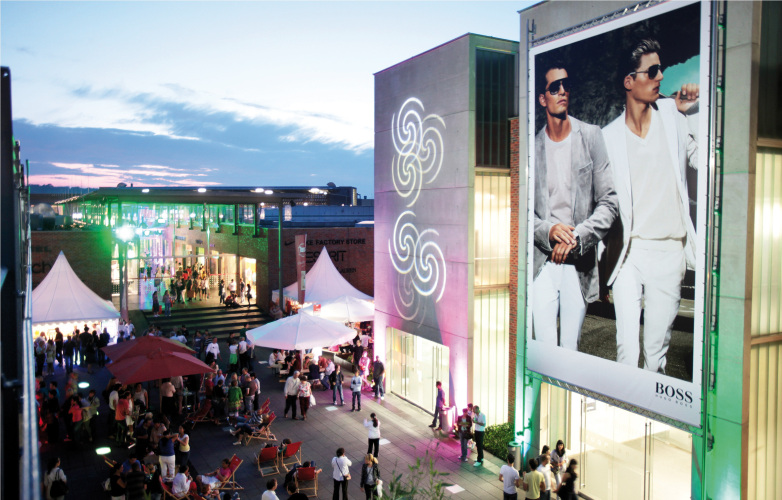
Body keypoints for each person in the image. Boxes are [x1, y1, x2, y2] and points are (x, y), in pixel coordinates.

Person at [601, 38, 699, 373]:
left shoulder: (674, 116)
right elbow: (604, 201)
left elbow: (702, 160)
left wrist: (694, 111)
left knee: (655, 355)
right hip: (629, 254)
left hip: (669, 252)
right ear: (629, 81)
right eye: (652, 71)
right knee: (626, 352)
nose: (660, 77)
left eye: (661, 69)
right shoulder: (609, 137)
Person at [532, 60, 618, 351]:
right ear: (542, 98)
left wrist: (577, 238)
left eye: (566, 85)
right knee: (544, 349)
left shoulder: (591, 136)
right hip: (542, 262)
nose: (562, 91)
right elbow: (523, 213)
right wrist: (549, 231)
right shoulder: (532, 148)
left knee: (570, 350)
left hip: (578, 264)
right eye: (554, 87)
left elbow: (609, 202)